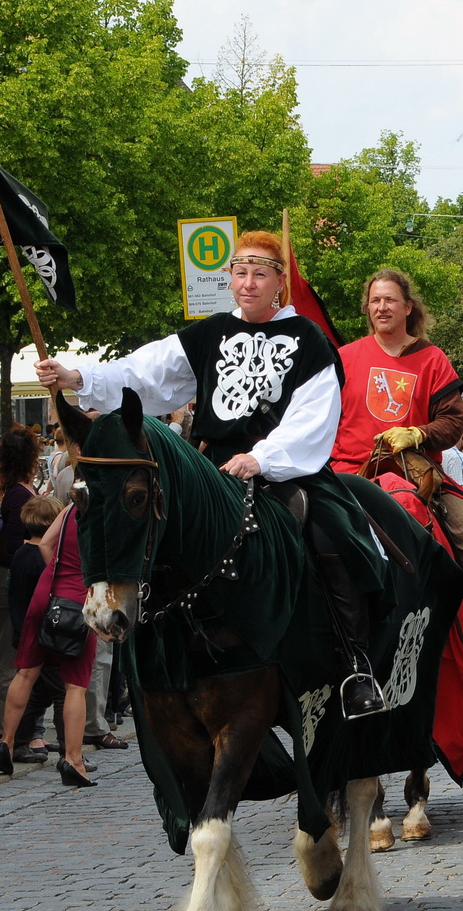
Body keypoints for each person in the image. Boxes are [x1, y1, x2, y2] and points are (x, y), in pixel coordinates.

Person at [36, 230, 393, 720]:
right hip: (211, 468)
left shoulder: (308, 339)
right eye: (240, 273)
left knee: (332, 532)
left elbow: (314, 414)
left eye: (260, 274)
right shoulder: (210, 333)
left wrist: (262, 457)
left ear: (279, 283)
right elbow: (146, 372)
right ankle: (157, 659)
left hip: (285, 468)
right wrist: (79, 378)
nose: (248, 283)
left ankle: (355, 664)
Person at [329, 268, 463, 671]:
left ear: (408, 307)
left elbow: (453, 423)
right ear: (367, 308)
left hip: (416, 474)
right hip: (350, 472)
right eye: (375, 300)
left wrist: (418, 433)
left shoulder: (432, 359)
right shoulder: (345, 357)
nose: (382, 307)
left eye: (390, 300)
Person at [0, 501, 97, 786]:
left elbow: (45, 545)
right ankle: (74, 760)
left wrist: (56, 572)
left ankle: (7, 742)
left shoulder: (71, 508)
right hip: (78, 600)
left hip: (47, 592)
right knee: (75, 686)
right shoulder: (106, 514)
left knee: (26, 673)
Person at [0, 429, 40, 738]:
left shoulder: (16, 491)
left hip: (5, 579)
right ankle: (0, 725)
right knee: (3, 654)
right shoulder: (18, 494)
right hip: (6, 581)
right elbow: (14, 544)